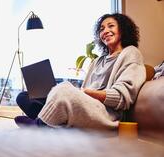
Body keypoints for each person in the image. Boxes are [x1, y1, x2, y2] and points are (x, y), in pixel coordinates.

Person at [14, 13, 146, 129]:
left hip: (105, 113)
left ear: (123, 29)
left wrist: (86, 93)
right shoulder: (97, 61)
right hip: (86, 104)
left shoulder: (131, 53)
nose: (105, 31)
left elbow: (122, 98)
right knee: (23, 97)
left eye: (111, 26)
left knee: (64, 89)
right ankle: (53, 120)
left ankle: (40, 124)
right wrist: (80, 93)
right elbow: (83, 90)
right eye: (102, 29)